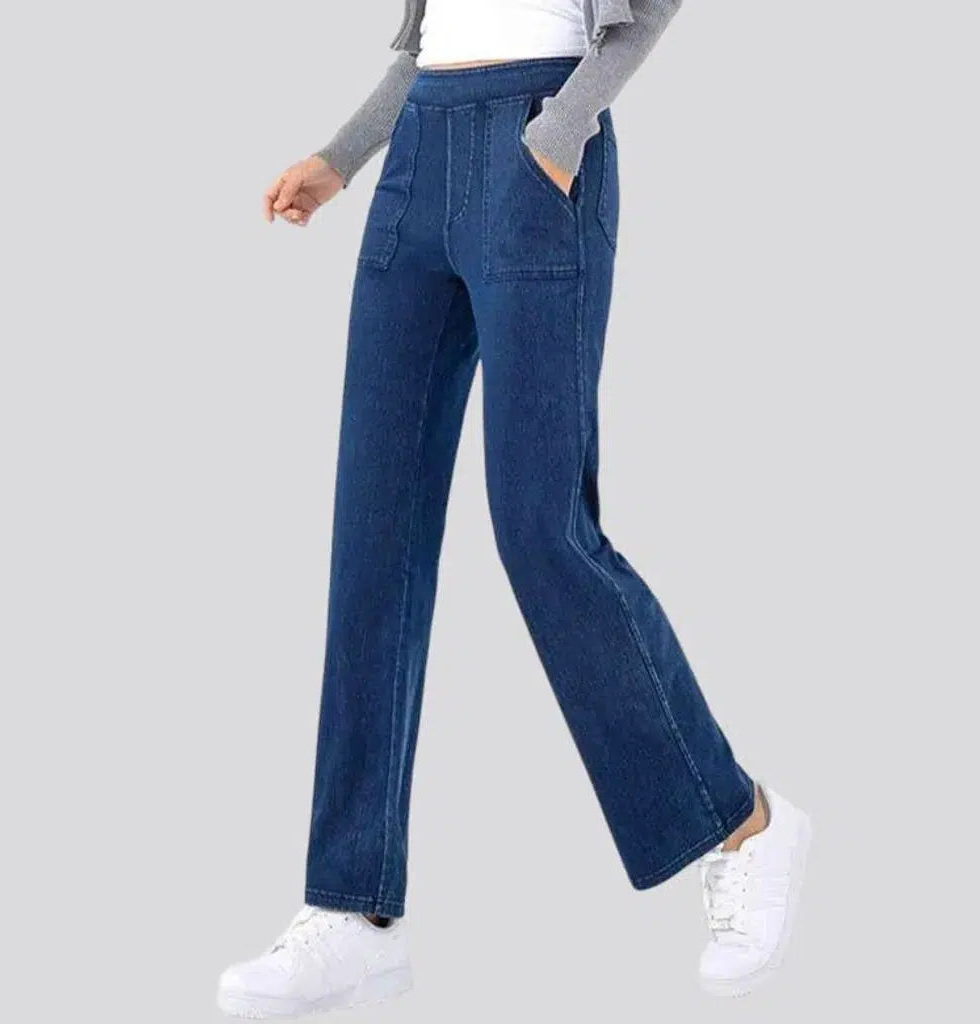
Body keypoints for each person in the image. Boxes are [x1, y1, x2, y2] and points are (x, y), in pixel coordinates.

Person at [218, 0, 811, 1014]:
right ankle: (353, 908)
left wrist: (559, 131)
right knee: (373, 533)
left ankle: (742, 823)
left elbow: (648, 9)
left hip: (537, 142)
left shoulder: (553, 133)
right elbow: (435, 42)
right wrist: (343, 155)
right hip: (420, 152)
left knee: (542, 530)